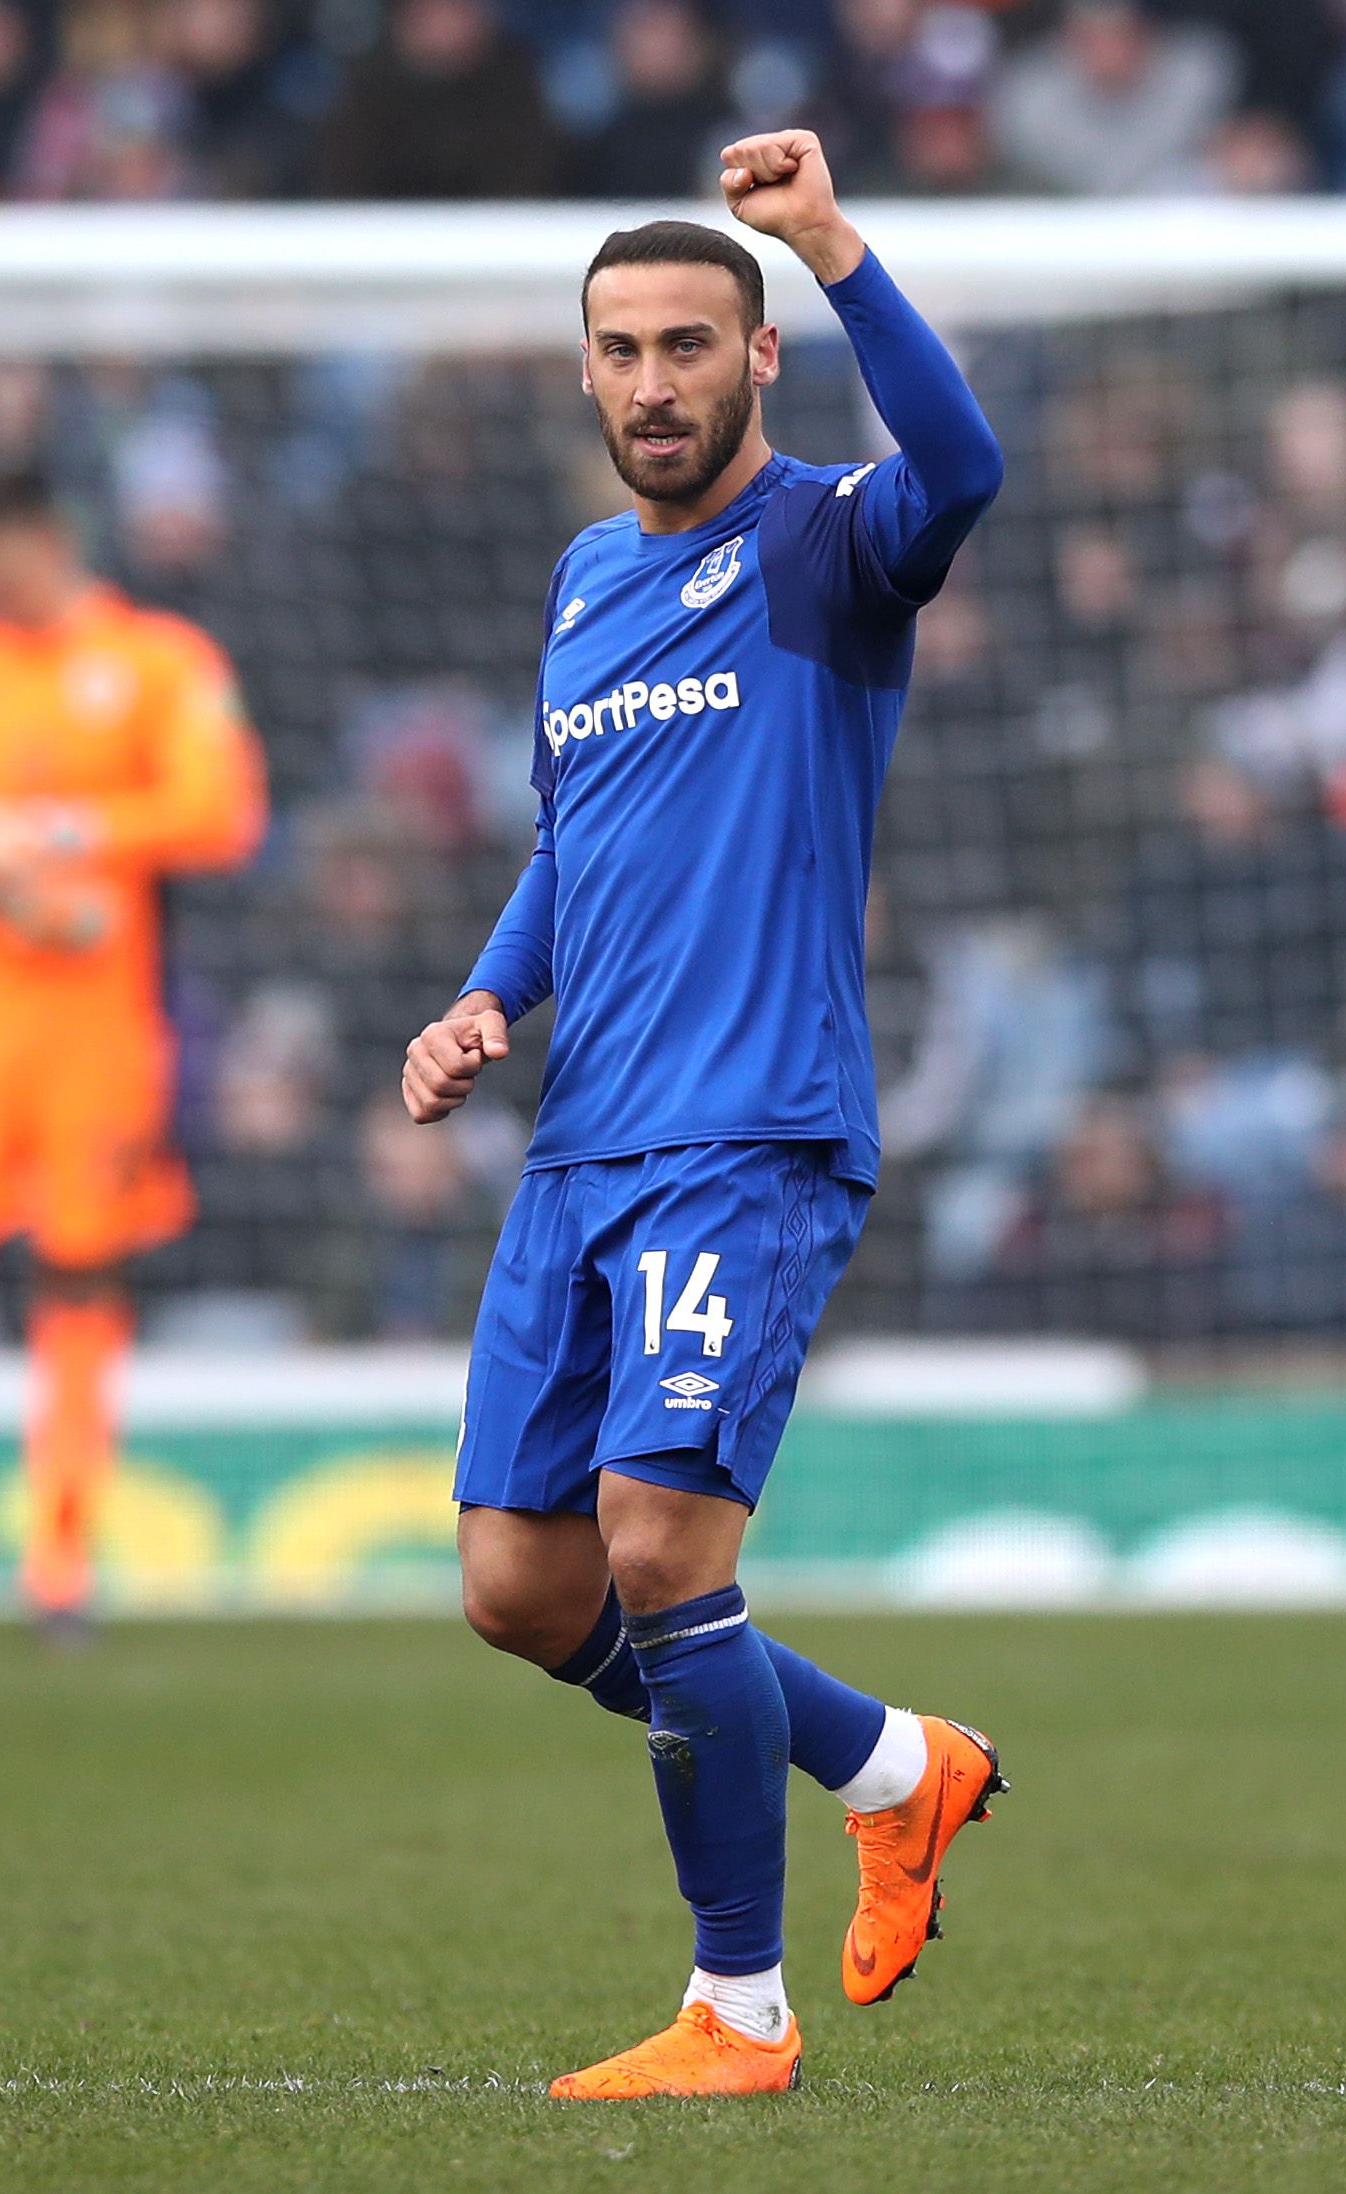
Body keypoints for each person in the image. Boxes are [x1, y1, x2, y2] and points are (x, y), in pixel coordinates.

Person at [400, 131, 1006, 2100]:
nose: (650, 380)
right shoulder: (586, 580)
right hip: (581, 1141)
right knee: (523, 1583)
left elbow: (968, 473)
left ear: (757, 354)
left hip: (746, 1135)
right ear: (581, 372)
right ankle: (897, 1765)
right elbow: (573, 841)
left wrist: (835, 245)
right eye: (618, 349)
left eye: (686, 342)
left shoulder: (832, 543)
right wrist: (494, 988)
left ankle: (736, 2007)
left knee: (660, 1548)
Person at [0, 468, 268, 1648]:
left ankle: (60, 1569)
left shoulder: (161, 659)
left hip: (100, 1033)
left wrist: (76, 830)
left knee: (80, 1275)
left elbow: (222, 808)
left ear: (47, 537)